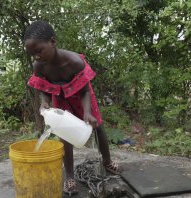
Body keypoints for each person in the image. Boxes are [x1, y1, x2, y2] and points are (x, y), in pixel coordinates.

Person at [24, 20, 120, 195]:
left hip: (81, 95)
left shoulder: (74, 62)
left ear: (53, 42)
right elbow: (43, 87)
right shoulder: (38, 65)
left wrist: (87, 113)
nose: (36, 56)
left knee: (97, 128)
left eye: (39, 51)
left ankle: (107, 162)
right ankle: (69, 177)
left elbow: (84, 91)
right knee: (65, 135)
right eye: (32, 53)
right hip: (59, 96)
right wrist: (45, 102)